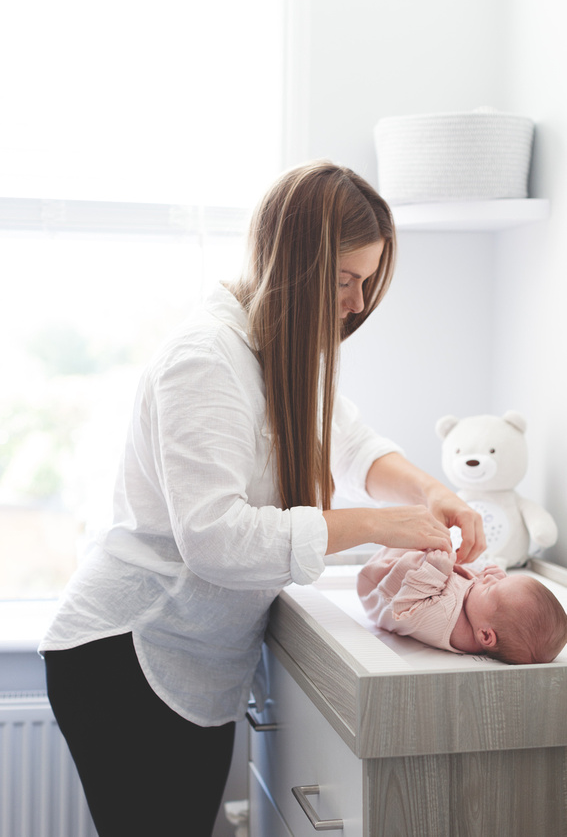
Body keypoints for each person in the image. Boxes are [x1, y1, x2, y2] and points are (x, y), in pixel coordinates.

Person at [40, 160, 485, 837]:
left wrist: (433, 492)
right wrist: (376, 526)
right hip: (127, 654)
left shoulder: (284, 350)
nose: (357, 303)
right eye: (345, 280)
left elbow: (354, 444)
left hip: (191, 660)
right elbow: (215, 538)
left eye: (367, 282)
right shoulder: (206, 360)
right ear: (294, 263)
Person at [357, 547, 567, 664]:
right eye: (501, 581)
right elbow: (488, 600)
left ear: (485, 636)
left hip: (382, 580)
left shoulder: (445, 619)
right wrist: (497, 582)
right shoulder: (482, 615)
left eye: (490, 589)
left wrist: (435, 570)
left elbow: (403, 608)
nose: (488, 581)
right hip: (416, 568)